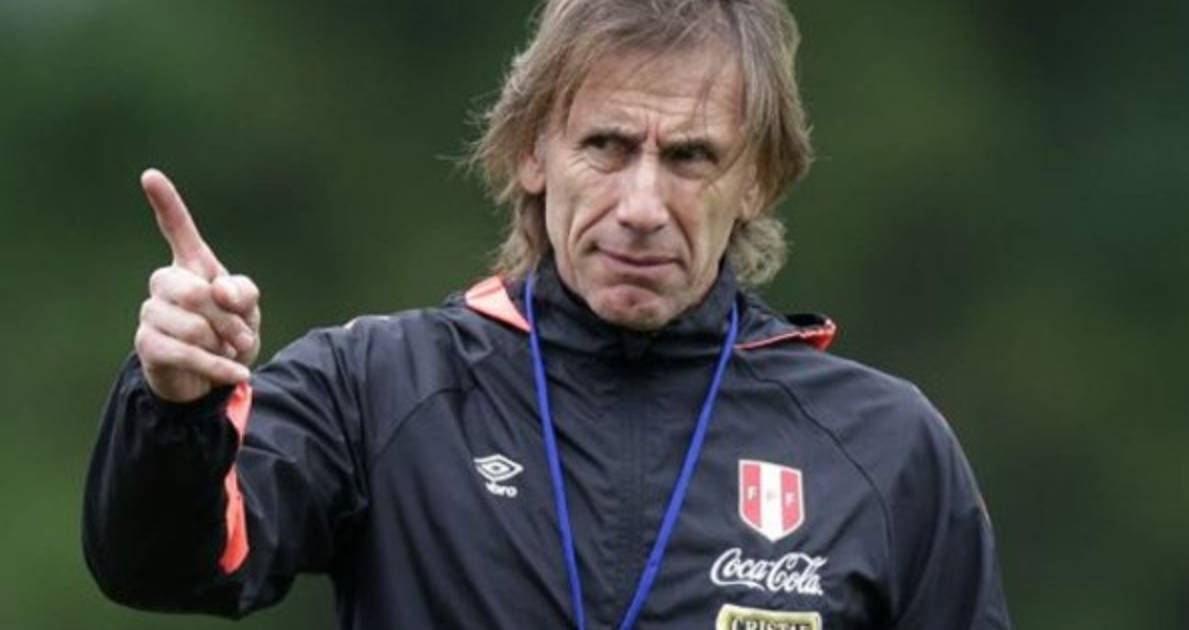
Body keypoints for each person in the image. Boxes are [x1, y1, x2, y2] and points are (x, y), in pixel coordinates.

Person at [83, 0, 1012, 628]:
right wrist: (175, 408)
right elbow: (158, 567)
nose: (642, 205)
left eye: (690, 158)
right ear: (532, 153)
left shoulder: (884, 448)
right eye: (607, 145)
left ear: (758, 179)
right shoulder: (381, 391)